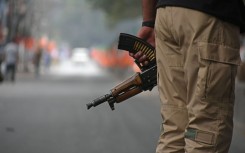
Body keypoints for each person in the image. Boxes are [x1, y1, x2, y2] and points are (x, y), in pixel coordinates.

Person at [130, 0, 245, 152]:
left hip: (166, 14)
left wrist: (149, 22)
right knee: (206, 127)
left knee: (174, 128)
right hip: (209, 14)